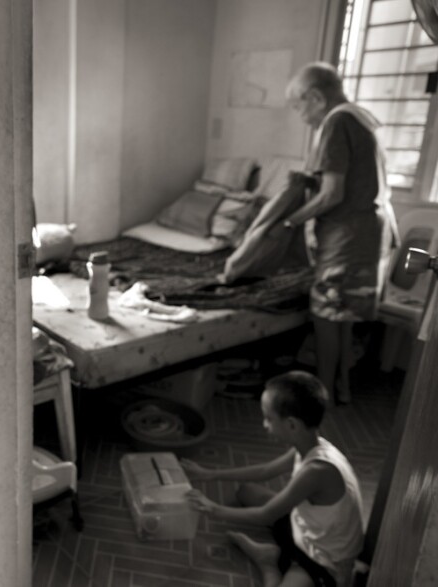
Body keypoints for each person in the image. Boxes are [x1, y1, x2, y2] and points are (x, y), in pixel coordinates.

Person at [281, 62, 396, 406]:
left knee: (327, 314)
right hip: (368, 233)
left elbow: (333, 193)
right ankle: (342, 384)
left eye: (299, 106)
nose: (301, 116)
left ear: (315, 97)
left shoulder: (336, 122)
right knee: (343, 314)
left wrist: (291, 220)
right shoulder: (360, 118)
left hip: (347, 236)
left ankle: (323, 393)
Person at [183, 371, 364, 587]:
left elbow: (263, 515)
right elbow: (265, 471)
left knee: (263, 511)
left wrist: (211, 508)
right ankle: (274, 554)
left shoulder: (317, 470)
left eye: (268, 418)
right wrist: (210, 474)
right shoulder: (309, 443)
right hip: (305, 529)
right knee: (246, 491)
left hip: (326, 560)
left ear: (292, 425)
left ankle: (269, 563)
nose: (264, 425)